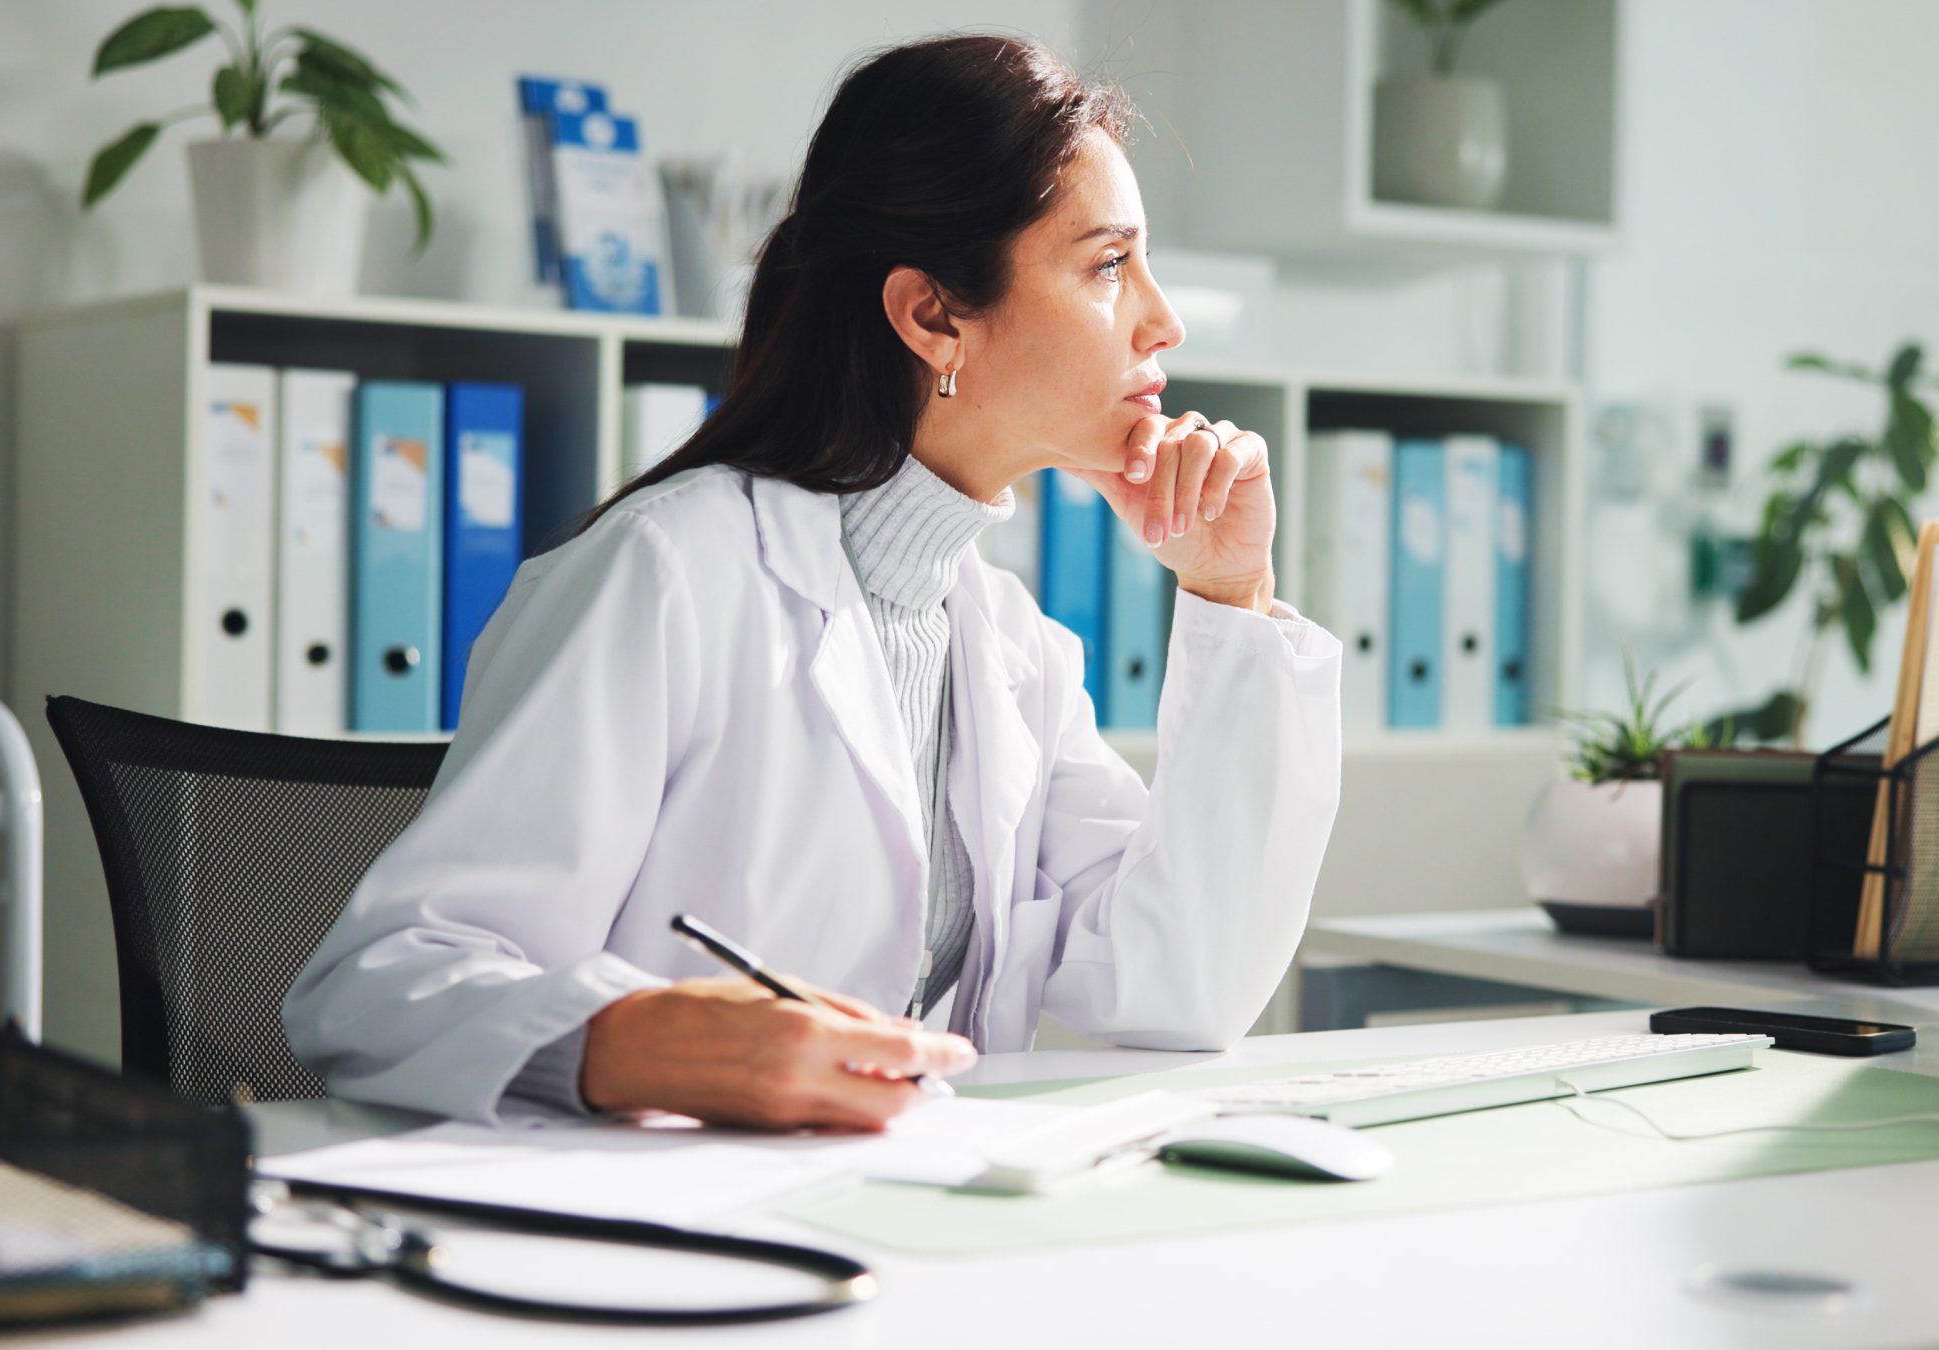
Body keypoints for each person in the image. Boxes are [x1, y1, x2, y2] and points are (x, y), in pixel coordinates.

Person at [282, 33, 1342, 1131]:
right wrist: (647, 1042)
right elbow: (380, 984)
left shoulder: (1011, 644)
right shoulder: (665, 575)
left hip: (894, 1199)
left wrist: (1231, 591)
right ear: (932, 316)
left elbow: (1181, 987)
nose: (1164, 321)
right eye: (1109, 266)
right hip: (656, 1207)